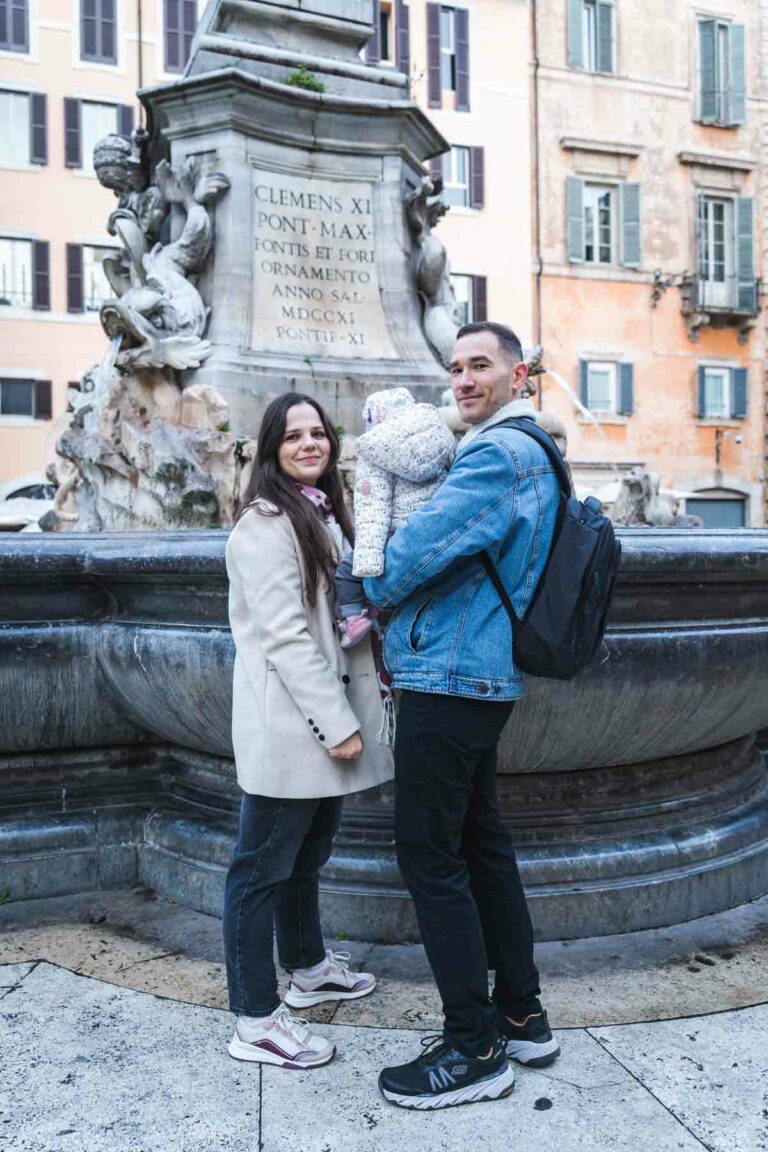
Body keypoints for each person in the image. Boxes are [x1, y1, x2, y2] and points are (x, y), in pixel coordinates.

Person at [364, 321, 562, 1110]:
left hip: (449, 675)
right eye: (455, 368)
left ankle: (473, 1046)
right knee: (482, 845)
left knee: (429, 855)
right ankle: (520, 1013)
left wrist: (370, 590)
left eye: (481, 365)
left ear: (519, 376)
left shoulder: (494, 453)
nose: (463, 380)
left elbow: (411, 553)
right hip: (478, 673)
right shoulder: (536, 450)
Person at [223, 393, 393, 1069]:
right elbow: (288, 638)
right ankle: (255, 1019)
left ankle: (307, 967)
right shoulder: (265, 526)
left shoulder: (322, 514)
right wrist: (338, 723)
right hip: (295, 728)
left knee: (305, 856)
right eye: (292, 436)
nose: (308, 443)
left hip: (320, 724)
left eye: (317, 432)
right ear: (271, 450)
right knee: (259, 870)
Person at [334, 386, 455, 649]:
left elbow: (372, 512)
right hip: (434, 532)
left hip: (397, 535)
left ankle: (354, 617)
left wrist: (367, 562)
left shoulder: (374, 453)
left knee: (346, 573)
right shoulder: (441, 436)